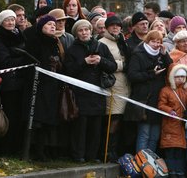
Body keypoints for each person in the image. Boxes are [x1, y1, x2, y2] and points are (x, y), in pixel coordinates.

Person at [64, 19, 117, 163]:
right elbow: (68, 71)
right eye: (81, 30)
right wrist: (84, 62)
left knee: (96, 126)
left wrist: (101, 60)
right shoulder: (72, 50)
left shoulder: (101, 47)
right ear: (76, 33)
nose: (84, 33)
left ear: (90, 30)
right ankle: (78, 155)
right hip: (79, 94)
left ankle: (92, 156)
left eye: (86, 29)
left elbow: (112, 66)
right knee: (80, 127)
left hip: (98, 93)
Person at [124, 30, 173, 152]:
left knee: (155, 135)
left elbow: (170, 67)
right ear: (147, 41)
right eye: (153, 41)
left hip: (158, 98)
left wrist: (165, 54)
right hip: (144, 99)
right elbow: (132, 75)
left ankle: (151, 162)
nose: (156, 44)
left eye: (159, 42)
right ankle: (141, 160)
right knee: (144, 133)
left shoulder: (161, 54)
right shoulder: (138, 54)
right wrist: (151, 74)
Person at [24, 15, 64, 161]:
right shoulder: (34, 42)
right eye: (49, 24)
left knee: (48, 121)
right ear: (41, 26)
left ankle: (44, 150)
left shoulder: (55, 42)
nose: (53, 26)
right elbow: (29, 64)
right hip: (37, 86)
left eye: (54, 24)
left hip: (52, 87)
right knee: (36, 121)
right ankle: (32, 150)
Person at [0, 9, 30, 156]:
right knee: (11, 117)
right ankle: (7, 149)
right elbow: (5, 61)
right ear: (2, 23)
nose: (11, 22)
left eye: (12, 20)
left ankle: (17, 147)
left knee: (20, 117)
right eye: (7, 20)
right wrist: (24, 60)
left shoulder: (19, 35)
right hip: (9, 84)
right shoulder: (0, 39)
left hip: (22, 83)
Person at [99, 15, 131, 161]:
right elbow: (105, 63)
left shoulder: (122, 41)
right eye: (112, 25)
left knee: (121, 120)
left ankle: (116, 151)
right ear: (107, 27)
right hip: (112, 86)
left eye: (118, 25)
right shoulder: (101, 43)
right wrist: (122, 65)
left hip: (125, 85)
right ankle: (107, 151)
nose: (116, 28)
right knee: (113, 119)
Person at [158, 64, 187, 177]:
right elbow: (161, 104)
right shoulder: (165, 90)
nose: (181, 79)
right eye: (178, 77)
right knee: (170, 151)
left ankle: (180, 172)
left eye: (183, 77)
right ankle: (172, 172)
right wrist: (169, 110)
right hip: (170, 124)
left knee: (180, 152)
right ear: (172, 77)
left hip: (182, 126)